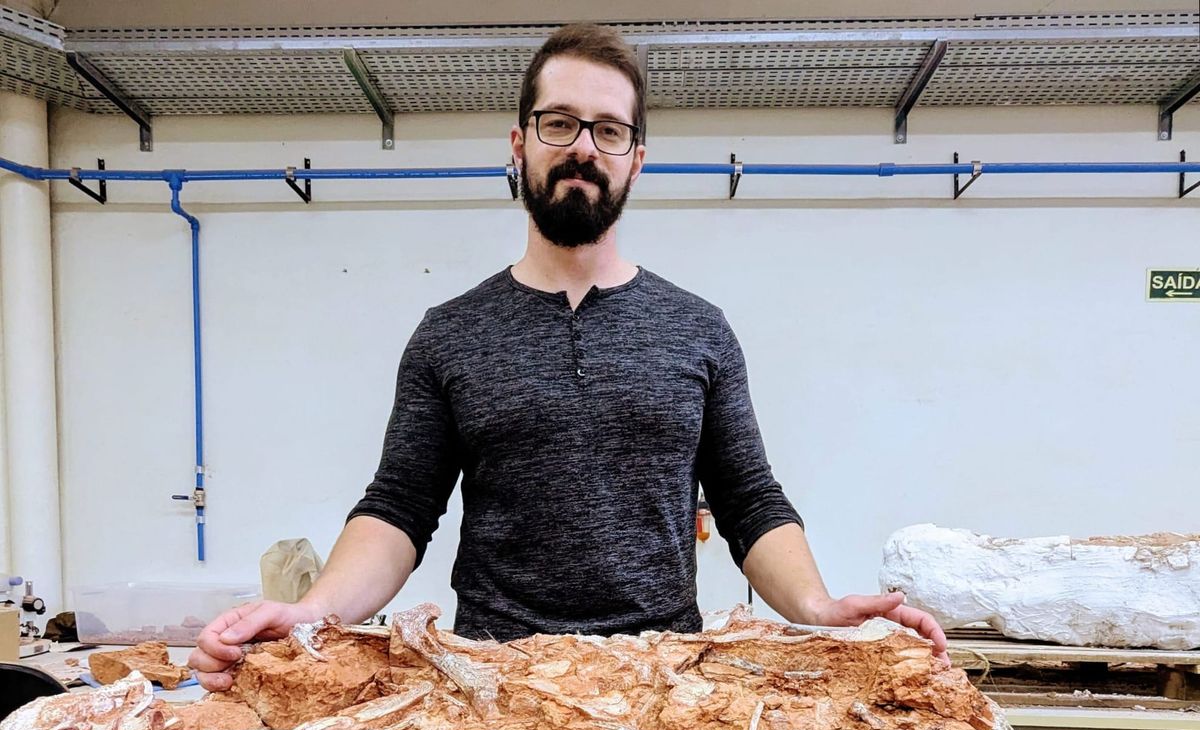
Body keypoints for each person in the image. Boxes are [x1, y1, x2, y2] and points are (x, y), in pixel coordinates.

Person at [191, 23, 946, 692]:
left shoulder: (699, 330)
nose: (584, 146)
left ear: (635, 160)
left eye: (609, 131)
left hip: (660, 688)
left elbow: (750, 503)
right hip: (492, 688)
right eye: (560, 123)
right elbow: (399, 509)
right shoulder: (449, 334)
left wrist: (819, 606)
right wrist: (311, 611)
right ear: (520, 145)